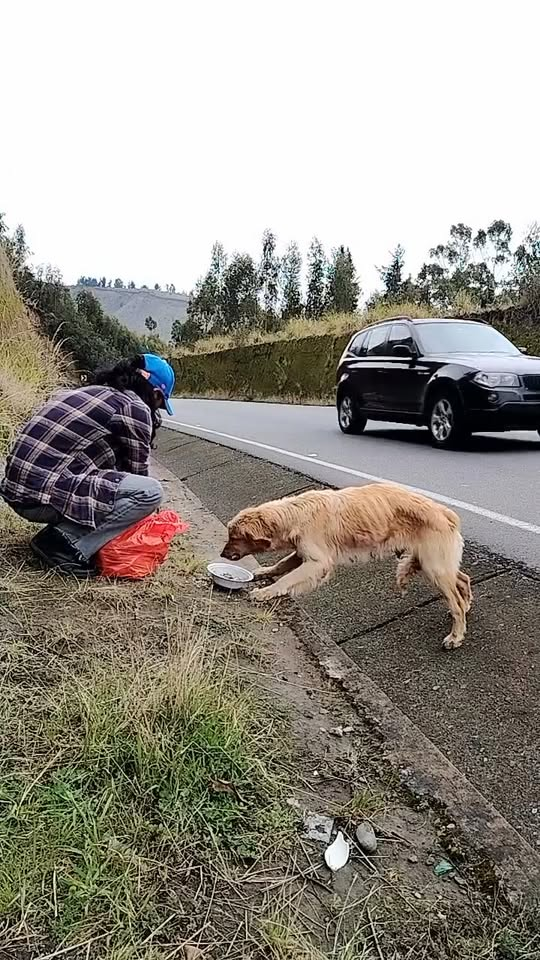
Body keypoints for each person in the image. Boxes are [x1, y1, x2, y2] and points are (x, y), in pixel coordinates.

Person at [0, 353, 175, 577]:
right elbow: (138, 475)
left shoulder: (92, 392)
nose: (156, 412)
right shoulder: (134, 407)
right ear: (157, 394)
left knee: (114, 480)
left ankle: (63, 533)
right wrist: (151, 521)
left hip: (18, 492)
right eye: (160, 405)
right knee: (150, 493)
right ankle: (65, 545)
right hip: (37, 496)